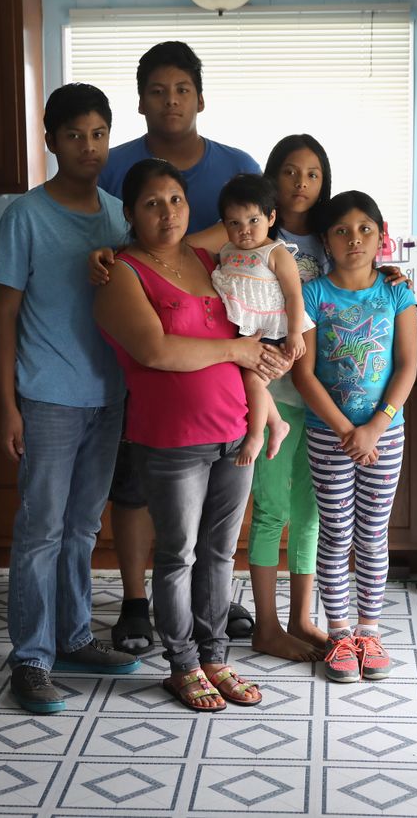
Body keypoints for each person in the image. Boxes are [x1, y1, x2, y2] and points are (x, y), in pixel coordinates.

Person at [95, 158, 278, 711]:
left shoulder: (209, 259)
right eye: (151, 203)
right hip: (173, 440)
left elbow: (265, 225)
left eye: (175, 199)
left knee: (221, 553)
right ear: (129, 214)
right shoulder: (120, 274)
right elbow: (155, 350)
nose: (166, 211)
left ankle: (215, 656)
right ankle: (182, 664)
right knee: (177, 556)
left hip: (234, 432)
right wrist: (238, 350)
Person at [96, 41, 261, 652]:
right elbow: (98, 235)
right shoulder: (113, 167)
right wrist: (104, 258)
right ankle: (140, 606)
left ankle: (206, 625)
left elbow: (264, 235)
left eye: (182, 89)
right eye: (158, 90)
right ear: (140, 102)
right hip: (145, 378)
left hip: (224, 400)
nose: (171, 101)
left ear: (200, 97)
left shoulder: (234, 166)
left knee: (211, 538)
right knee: (141, 497)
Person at [0, 83, 141, 715]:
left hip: (108, 395)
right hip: (47, 397)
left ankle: (75, 637)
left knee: (82, 527)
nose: (89, 146)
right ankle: (30, 656)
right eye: (74, 134)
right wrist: (7, 405)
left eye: (99, 133)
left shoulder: (117, 215)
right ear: (50, 140)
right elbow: (4, 318)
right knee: (40, 531)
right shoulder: (24, 216)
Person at [292, 190, 417, 683]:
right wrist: (349, 431)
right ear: (326, 239)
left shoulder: (396, 293)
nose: (355, 239)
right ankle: (340, 633)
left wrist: (376, 426)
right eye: (342, 230)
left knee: (371, 533)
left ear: (382, 236)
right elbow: (304, 376)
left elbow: (408, 367)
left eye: (366, 229)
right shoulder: (314, 294)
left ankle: (370, 630)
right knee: (336, 530)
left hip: (385, 435)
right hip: (331, 436)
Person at [244, 135, 336, 661]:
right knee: (272, 510)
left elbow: (364, 279)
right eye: (290, 171)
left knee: (310, 513)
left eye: (313, 174)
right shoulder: (253, 236)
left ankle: (302, 619)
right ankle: (267, 626)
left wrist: (390, 274)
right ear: (272, 178)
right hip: (271, 398)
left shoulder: (331, 238)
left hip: (322, 400)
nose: (301, 183)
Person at [210, 173, 309, 466]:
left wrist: (294, 333)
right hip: (241, 333)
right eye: (234, 223)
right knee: (244, 382)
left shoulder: (276, 253)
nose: (244, 230)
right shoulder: (227, 252)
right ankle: (277, 423)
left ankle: (257, 434)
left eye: (253, 220)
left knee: (252, 381)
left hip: (271, 330)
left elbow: (294, 295)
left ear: (271, 216)